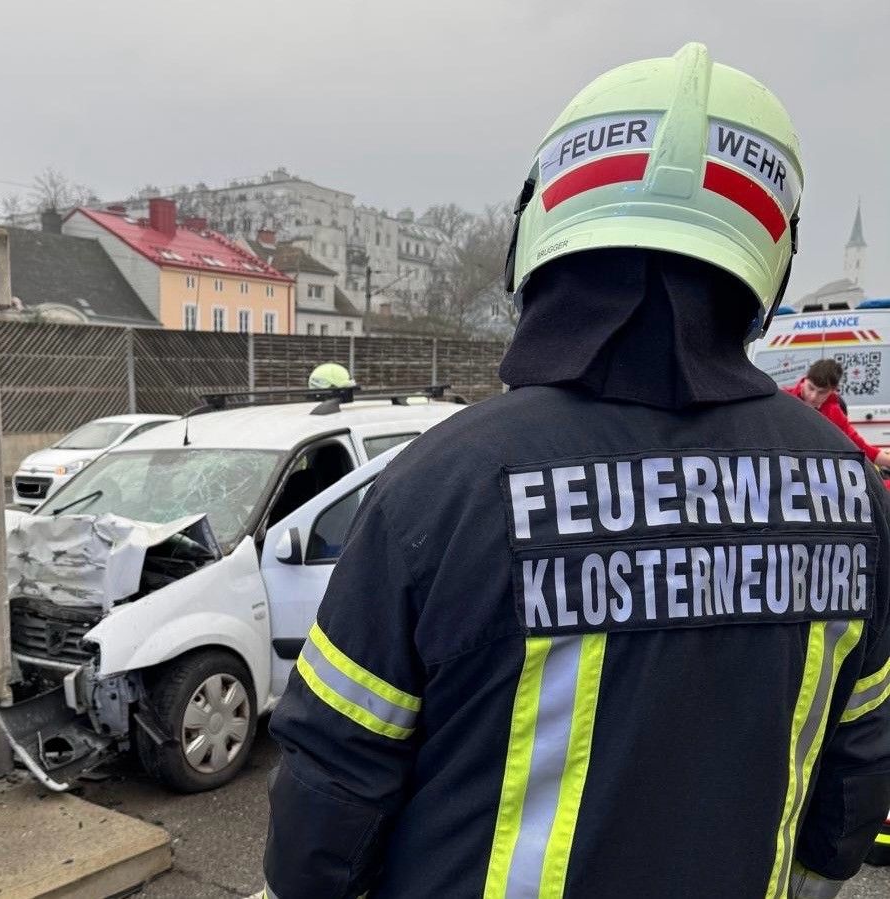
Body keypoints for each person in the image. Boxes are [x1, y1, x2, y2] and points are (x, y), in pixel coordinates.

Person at [262, 43, 890, 899]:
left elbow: (333, 781)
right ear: (768, 257)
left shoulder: (443, 482)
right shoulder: (847, 488)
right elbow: (860, 744)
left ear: (541, 220)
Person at [788, 358, 890, 468]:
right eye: (811, 388)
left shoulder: (834, 411)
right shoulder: (784, 399)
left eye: (822, 392)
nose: (813, 396)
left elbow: (857, 445)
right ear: (805, 379)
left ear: (833, 390)